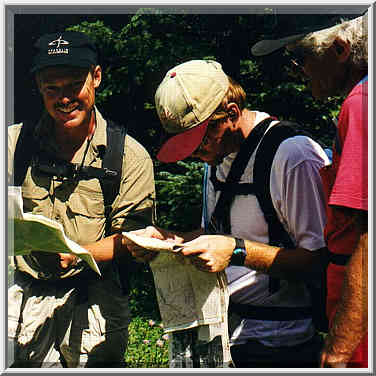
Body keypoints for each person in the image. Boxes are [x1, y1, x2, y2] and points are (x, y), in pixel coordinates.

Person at [129, 59, 330, 368]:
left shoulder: (293, 156)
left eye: (199, 141)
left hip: (279, 345)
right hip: (221, 336)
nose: (195, 154)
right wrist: (168, 239)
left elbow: (319, 262)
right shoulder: (217, 157)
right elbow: (216, 232)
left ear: (232, 114)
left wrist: (237, 251)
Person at [8, 31, 156, 368]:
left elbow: (137, 239)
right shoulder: (14, 145)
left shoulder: (128, 157)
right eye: (52, 89)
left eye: (74, 85)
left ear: (97, 77)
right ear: (39, 87)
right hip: (24, 295)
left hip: (95, 300)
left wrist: (77, 254)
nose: (64, 99)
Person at [251, 10, 368, 368]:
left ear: (340, 49)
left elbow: (367, 238)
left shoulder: (360, 107)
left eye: (302, 56)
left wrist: (340, 348)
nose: (299, 70)